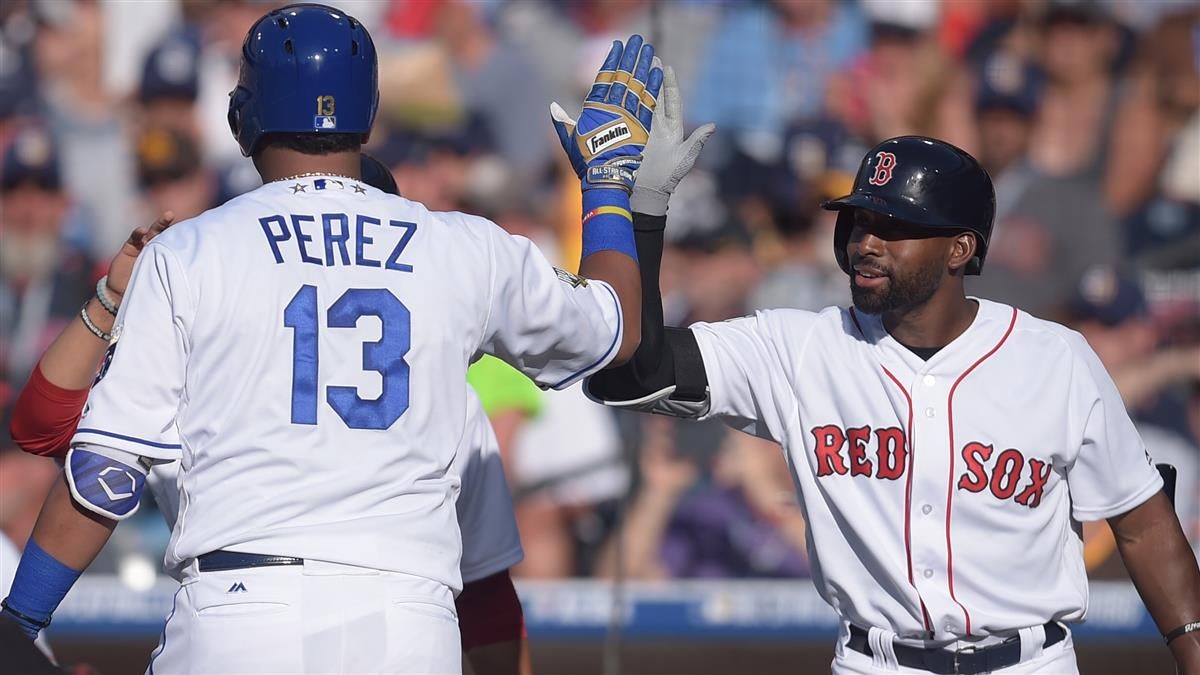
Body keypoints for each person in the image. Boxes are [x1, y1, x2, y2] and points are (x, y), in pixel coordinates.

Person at [0, 5, 661, 673]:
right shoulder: (463, 246)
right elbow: (618, 329)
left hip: (243, 609)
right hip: (411, 621)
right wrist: (607, 187)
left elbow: (101, 475)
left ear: (242, 117)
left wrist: (19, 620)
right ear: (368, 115)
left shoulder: (191, 251)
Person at [582, 85, 1200, 672]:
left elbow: (1142, 520)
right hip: (876, 662)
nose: (865, 243)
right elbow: (636, 371)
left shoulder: (1055, 360)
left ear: (961, 249)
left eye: (894, 228)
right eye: (857, 223)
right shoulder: (797, 348)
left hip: (1031, 662)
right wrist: (640, 213)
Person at [8, 154, 533, 675]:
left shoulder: (201, 345)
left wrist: (19, 622)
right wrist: (121, 296)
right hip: (399, 627)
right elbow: (488, 603)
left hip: (239, 616)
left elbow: (44, 428)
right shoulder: (449, 394)